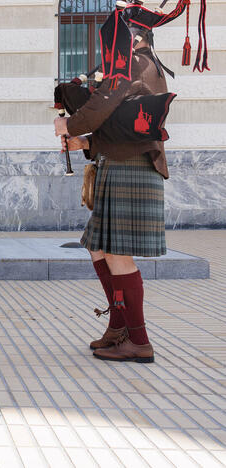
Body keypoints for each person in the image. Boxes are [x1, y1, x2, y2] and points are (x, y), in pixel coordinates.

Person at [56, 21, 171, 364]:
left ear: (134, 38)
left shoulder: (135, 62)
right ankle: (119, 327)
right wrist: (86, 142)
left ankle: (138, 340)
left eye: (118, 39)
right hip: (120, 160)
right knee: (99, 250)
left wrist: (70, 125)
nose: (110, 48)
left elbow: (105, 102)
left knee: (117, 252)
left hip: (130, 166)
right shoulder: (138, 64)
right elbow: (121, 122)